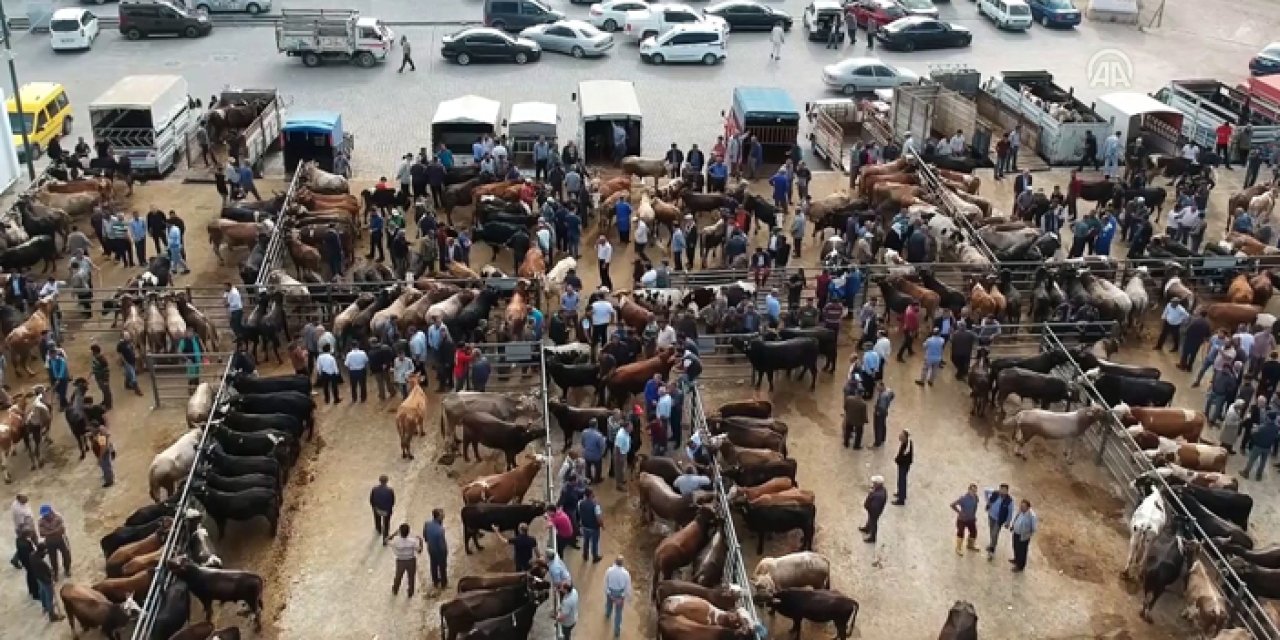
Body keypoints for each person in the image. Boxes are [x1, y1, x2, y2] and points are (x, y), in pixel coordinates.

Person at [36, 505, 70, 581]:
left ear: (51, 512)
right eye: (44, 515)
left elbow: (62, 530)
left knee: (66, 555)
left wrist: (49, 533)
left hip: (61, 540)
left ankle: (67, 570)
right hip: (50, 542)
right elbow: (42, 533)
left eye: (47, 514)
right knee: (53, 558)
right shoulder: (41, 521)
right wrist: (55, 532)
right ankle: (55, 573)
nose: (46, 517)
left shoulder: (58, 517)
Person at [387, 523, 422, 597]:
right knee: (411, 577)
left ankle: (395, 590)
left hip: (400, 561)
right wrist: (421, 540)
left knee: (398, 576)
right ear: (408, 532)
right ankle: (410, 592)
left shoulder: (396, 542)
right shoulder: (412, 541)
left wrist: (393, 534)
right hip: (411, 560)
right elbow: (419, 550)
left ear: (400, 532)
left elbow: (386, 540)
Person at [1242, 413, 1279, 480]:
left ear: (1269, 418)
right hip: (1267, 447)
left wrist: (1253, 430)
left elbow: (1253, 433)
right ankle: (1259, 475)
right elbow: (1276, 437)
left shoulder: (1262, 427)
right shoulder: (1276, 428)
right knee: (1263, 462)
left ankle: (1246, 473)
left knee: (1251, 460)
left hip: (1258, 446)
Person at [984, 484, 1015, 560]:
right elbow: (985, 490)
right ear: (999, 489)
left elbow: (1010, 512)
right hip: (991, 516)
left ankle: (992, 550)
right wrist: (988, 501)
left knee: (995, 533)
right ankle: (992, 544)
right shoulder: (995, 493)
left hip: (999, 519)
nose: (1003, 491)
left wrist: (1008, 522)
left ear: (1007, 491)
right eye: (1002, 489)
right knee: (992, 532)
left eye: (1005, 490)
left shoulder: (1009, 501)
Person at [603, 556, 632, 639]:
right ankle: (616, 632)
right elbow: (627, 587)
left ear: (615, 561)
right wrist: (623, 597)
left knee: (608, 605)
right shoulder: (626, 574)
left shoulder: (609, 570)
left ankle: (607, 614)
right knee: (618, 614)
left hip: (610, 591)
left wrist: (609, 594)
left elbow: (605, 582)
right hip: (620, 593)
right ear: (622, 563)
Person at [951, 484, 980, 555]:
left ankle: (970, 545)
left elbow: (975, 507)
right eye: (972, 491)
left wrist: (974, 515)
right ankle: (958, 548)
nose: (974, 492)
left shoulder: (976, 497)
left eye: (975, 491)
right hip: (962, 520)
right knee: (961, 533)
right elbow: (952, 505)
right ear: (969, 490)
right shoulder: (963, 498)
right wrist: (959, 512)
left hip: (971, 519)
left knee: (973, 532)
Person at [1009, 500, 1039, 572]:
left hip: (1023, 537)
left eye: (1023, 506)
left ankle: (1020, 566)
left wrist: (1028, 534)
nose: (1021, 507)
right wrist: (1013, 526)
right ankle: (1016, 560)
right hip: (1016, 533)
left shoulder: (1032, 516)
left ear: (1028, 507)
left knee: (1022, 551)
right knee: (1015, 547)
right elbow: (1016, 519)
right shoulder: (1020, 511)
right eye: (1021, 506)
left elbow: (1034, 528)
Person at [423, 508, 448, 588]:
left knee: (433, 565)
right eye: (442, 515)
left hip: (431, 549)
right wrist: (445, 552)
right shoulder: (440, 530)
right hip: (440, 551)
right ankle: (444, 583)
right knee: (442, 567)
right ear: (438, 517)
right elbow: (442, 545)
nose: (444, 516)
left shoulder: (427, 524)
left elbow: (425, 536)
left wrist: (429, 542)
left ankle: (435, 582)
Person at [577, 488, 604, 562]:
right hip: (594, 528)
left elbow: (580, 513)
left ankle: (585, 556)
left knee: (586, 541)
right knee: (594, 543)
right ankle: (595, 557)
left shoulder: (580, 503)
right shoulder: (596, 505)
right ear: (591, 494)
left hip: (585, 526)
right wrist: (602, 525)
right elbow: (598, 518)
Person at [860, 476, 887, 543]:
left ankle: (872, 538)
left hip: (874, 512)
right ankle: (867, 528)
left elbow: (875, 506)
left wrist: (869, 508)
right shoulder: (881, 490)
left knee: (873, 523)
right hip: (873, 511)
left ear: (878, 484)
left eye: (874, 483)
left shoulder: (878, 495)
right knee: (870, 520)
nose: (873, 484)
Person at [370, 475, 395, 543]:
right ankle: (385, 539)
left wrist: (374, 508)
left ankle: (378, 530)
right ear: (387, 481)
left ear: (379, 481)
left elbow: (371, 501)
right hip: (386, 511)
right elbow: (392, 502)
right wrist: (389, 510)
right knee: (386, 524)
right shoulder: (390, 490)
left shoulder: (374, 489)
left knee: (377, 520)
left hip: (377, 509)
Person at [89, 343, 113, 411]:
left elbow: (106, 371)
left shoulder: (102, 359)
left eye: (92, 350)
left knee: (107, 392)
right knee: (104, 391)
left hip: (102, 379)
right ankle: (105, 402)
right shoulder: (95, 358)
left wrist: (106, 381)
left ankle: (109, 405)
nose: (91, 352)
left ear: (95, 351)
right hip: (99, 378)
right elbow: (94, 367)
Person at [91, 423, 116, 487]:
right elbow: (108, 435)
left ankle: (109, 481)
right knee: (106, 466)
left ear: (94, 428)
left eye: (91, 428)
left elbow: (103, 447)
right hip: (105, 451)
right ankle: (109, 476)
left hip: (103, 453)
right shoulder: (101, 429)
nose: (90, 430)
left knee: (106, 467)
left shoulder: (100, 435)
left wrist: (100, 457)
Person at [892, 430, 912, 505]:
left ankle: (901, 499)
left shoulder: (906, 446)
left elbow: (903, 457)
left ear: (905, 437)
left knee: (902, 481)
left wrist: (897, 460)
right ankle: (900, 493)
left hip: (904, 465)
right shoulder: (907, 442)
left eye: (901, 436)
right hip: (903, 464)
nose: (899, 437)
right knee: (900, 480)